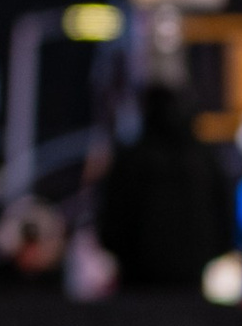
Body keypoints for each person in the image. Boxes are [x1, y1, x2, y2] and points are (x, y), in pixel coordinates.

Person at [94, 83, 234, 291]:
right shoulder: (205, 161)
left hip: (137, 286)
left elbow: (110, 225)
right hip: (190, 282)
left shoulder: (131, 160)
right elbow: (226, 220)